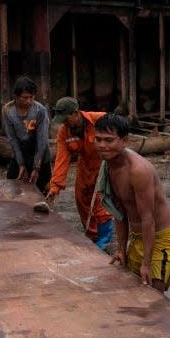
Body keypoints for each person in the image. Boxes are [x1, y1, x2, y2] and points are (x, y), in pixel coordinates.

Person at [93, 113, 170, 292]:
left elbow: (148, 219)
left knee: (154, 290)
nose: (102, 145)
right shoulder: (109, 166)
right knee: (133, 288)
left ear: (124, 141)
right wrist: (121, 248)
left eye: (109, 140)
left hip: (160, 237)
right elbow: (119, 212)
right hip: (137, 237)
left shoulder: (138, 170)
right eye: (98, 139)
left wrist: (146, 264)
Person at [47, 97, 113, 250]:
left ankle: (105, 239)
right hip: (85, 166)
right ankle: (92, 234)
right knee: (81, 198)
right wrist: (55, 187)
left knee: (100, 200)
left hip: (104, 163)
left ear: (76, 113)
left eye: (66, 119)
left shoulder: (101, 119)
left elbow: (117, 137)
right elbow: (61, 159)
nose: (64, 123)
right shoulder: (64, 132)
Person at [2, 75, 51, 193]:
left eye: (31, 97)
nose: (28, 101)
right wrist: (21, 164)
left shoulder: (40, 111)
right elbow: (12, 139)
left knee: (42, 191)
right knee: (13, 187)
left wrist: (36, 168)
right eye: (24, 98)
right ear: (16, 96)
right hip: (21, 153)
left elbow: (42, 141)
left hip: (40, 154)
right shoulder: (8, 111)